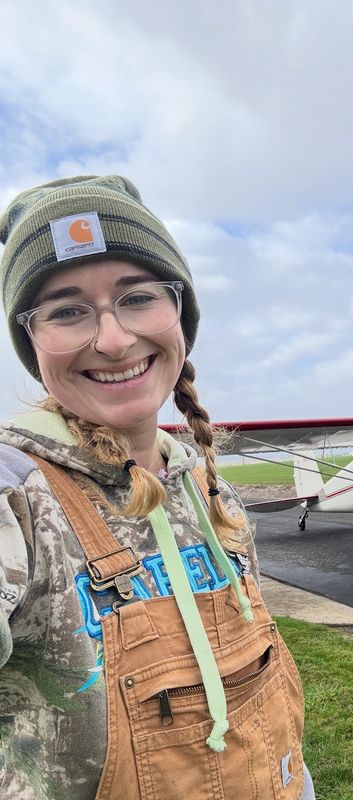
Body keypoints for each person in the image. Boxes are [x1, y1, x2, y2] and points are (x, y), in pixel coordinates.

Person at [0, 175, 315, 800]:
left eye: (138, 297)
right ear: (33, 344)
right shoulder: (18, 497)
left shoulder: (209, 490)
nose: (114, 339)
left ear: (180, 315)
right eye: (66, 310)